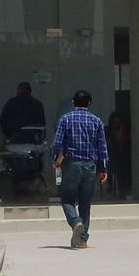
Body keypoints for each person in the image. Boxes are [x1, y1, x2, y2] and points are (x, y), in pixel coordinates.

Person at [51, 89, 109, 248]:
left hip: (71, 164)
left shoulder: (65, 119)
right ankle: (82, 240)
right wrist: (103, 169)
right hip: (90, 165)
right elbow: (102, 147)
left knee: (67, 199)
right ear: (89, 104)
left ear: (73, 103)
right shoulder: (97, 121)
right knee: (85, 202)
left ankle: (76, 223)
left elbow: (57, 144)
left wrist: (55, 160)